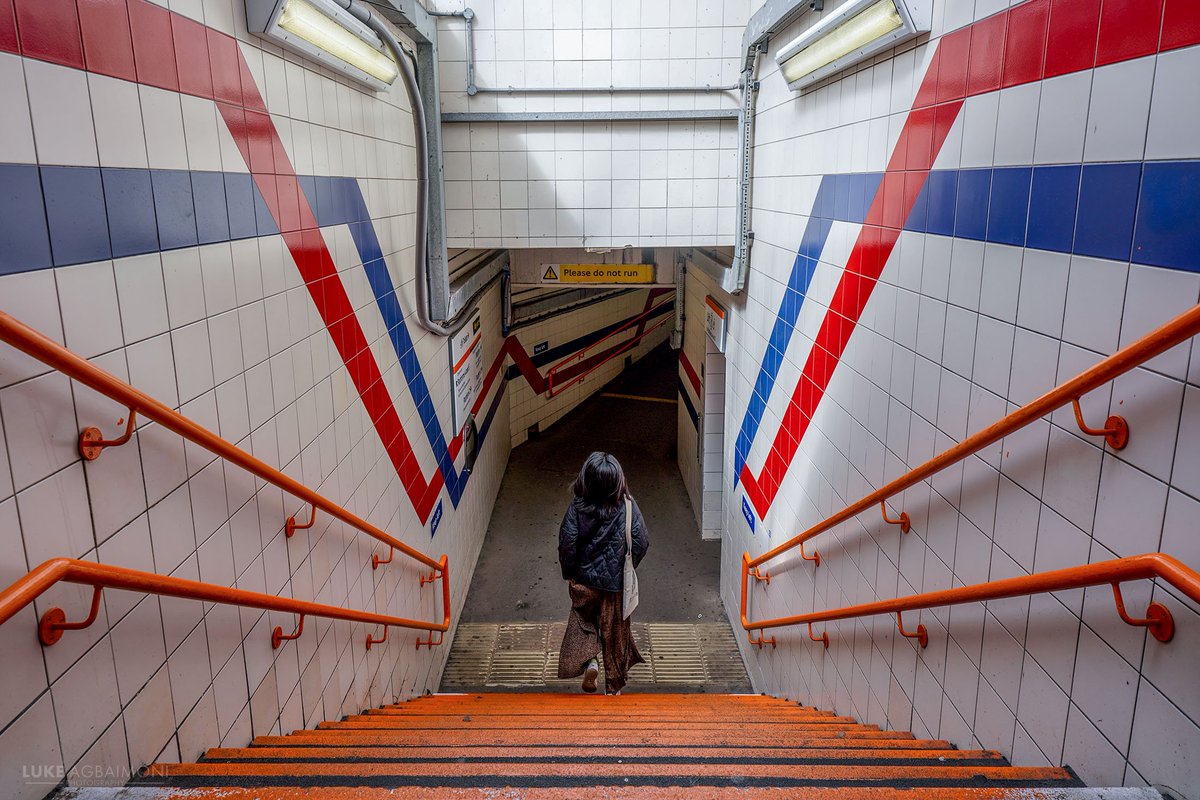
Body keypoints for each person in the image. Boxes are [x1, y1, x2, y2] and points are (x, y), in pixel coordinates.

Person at [556, 452, 649, 695]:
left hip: (584, 581)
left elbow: (567, 542)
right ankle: (613, 688)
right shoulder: (628, 506)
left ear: (585, 479)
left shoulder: (577, 507)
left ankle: (591, 662)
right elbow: (641, 541)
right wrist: (627, 567)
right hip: (616, 585)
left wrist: (570, 573)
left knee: (582, 621)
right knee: (615, 633)